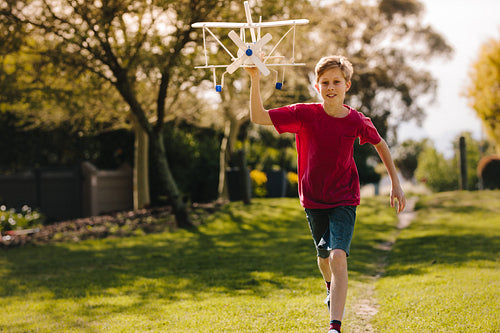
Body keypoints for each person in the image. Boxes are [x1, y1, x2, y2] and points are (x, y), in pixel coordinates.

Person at [245, 55, 406, 333]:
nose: (331, 87)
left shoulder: (356, 120)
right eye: (325, 82)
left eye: (336, 82)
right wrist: (255, 78)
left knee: (337, 256)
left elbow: (380, 144)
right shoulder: (303, 114)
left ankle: (334, 326)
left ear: (347, 85)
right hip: (313, 200)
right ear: (317, 86)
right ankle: (330, 286)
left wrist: (395, 181)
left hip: (344, 198)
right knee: (323, 259)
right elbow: (258, 117)